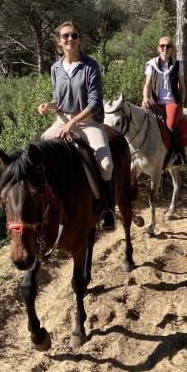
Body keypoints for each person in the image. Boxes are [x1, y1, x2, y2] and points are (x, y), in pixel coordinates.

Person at [38, 21, 116, 231]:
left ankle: (108, 210)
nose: (70, 39)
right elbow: (60, 100)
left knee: (106, 165)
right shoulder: (55, 68)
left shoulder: (90, 66)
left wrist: (74, 121)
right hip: (62, 121)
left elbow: (95, 103)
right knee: (36, 154)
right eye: (65, 36)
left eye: (74, 35)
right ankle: (44, 209)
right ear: (58, 41)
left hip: (88, 123)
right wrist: (48, 106)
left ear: (80, 39)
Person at [142, 36, 187, 165]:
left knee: (171, 124)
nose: (165, 48)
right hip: (155, 102)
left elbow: (182, 87)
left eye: (168, 46)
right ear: (158, 48)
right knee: (141, 120)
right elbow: (147, 84)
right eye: (162, 46)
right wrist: (145, 98)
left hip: (172, 101)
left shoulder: (178, 65)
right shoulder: (152, 64)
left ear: (172, 49)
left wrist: (181, 105)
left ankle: (179, 152)